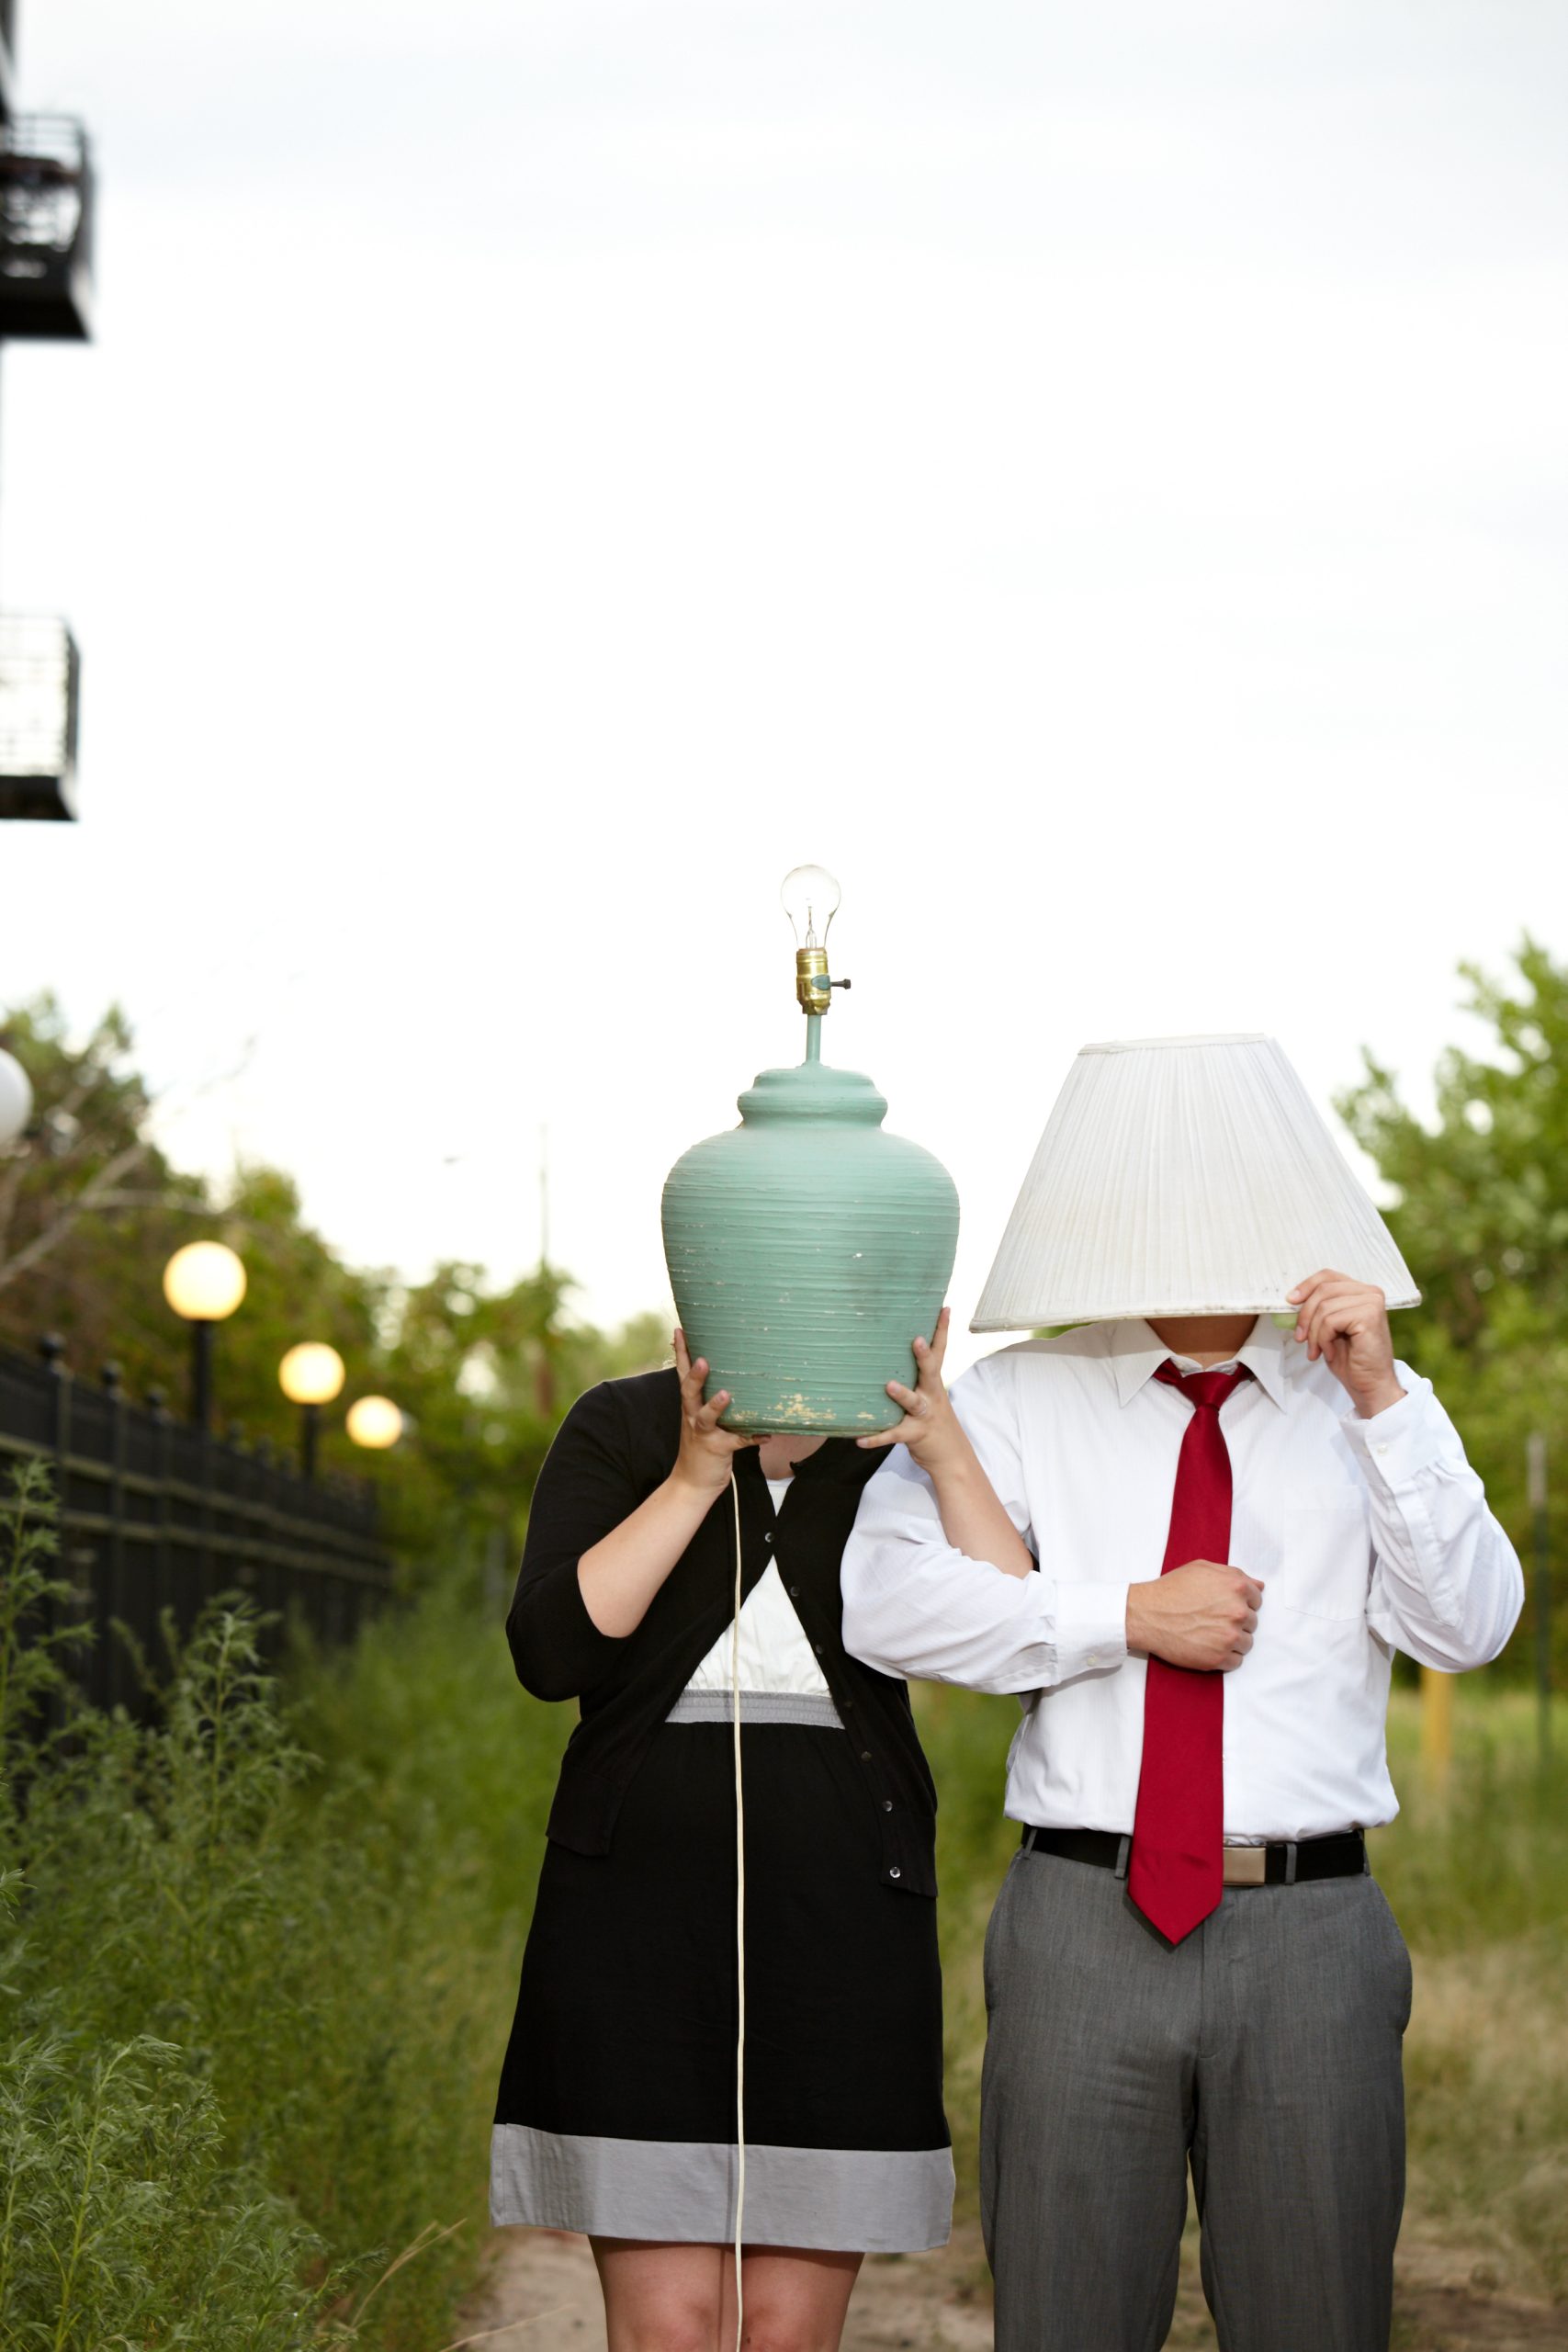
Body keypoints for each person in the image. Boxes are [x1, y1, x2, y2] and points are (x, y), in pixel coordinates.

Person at [840, 1035, 1524, 2352]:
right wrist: (1123, 1616)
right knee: (1066, 2320)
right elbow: (885, 1601)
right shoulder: (1017, 1396)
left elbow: (1469, 1625)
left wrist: (1381, 1397)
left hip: (1311, 1933)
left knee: (1316, 2320)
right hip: (1080, 1925)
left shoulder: (1373, 1404)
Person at [491, 1330, 953, 2352]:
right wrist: (695, 1476)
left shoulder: (897, 1441)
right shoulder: (620, 1422)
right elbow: (551, 1654)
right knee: (670, 2329)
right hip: (633, 1924)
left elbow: (1010, 1617)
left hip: (847, 1920)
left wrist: (943, 1444)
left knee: (788, 2334)